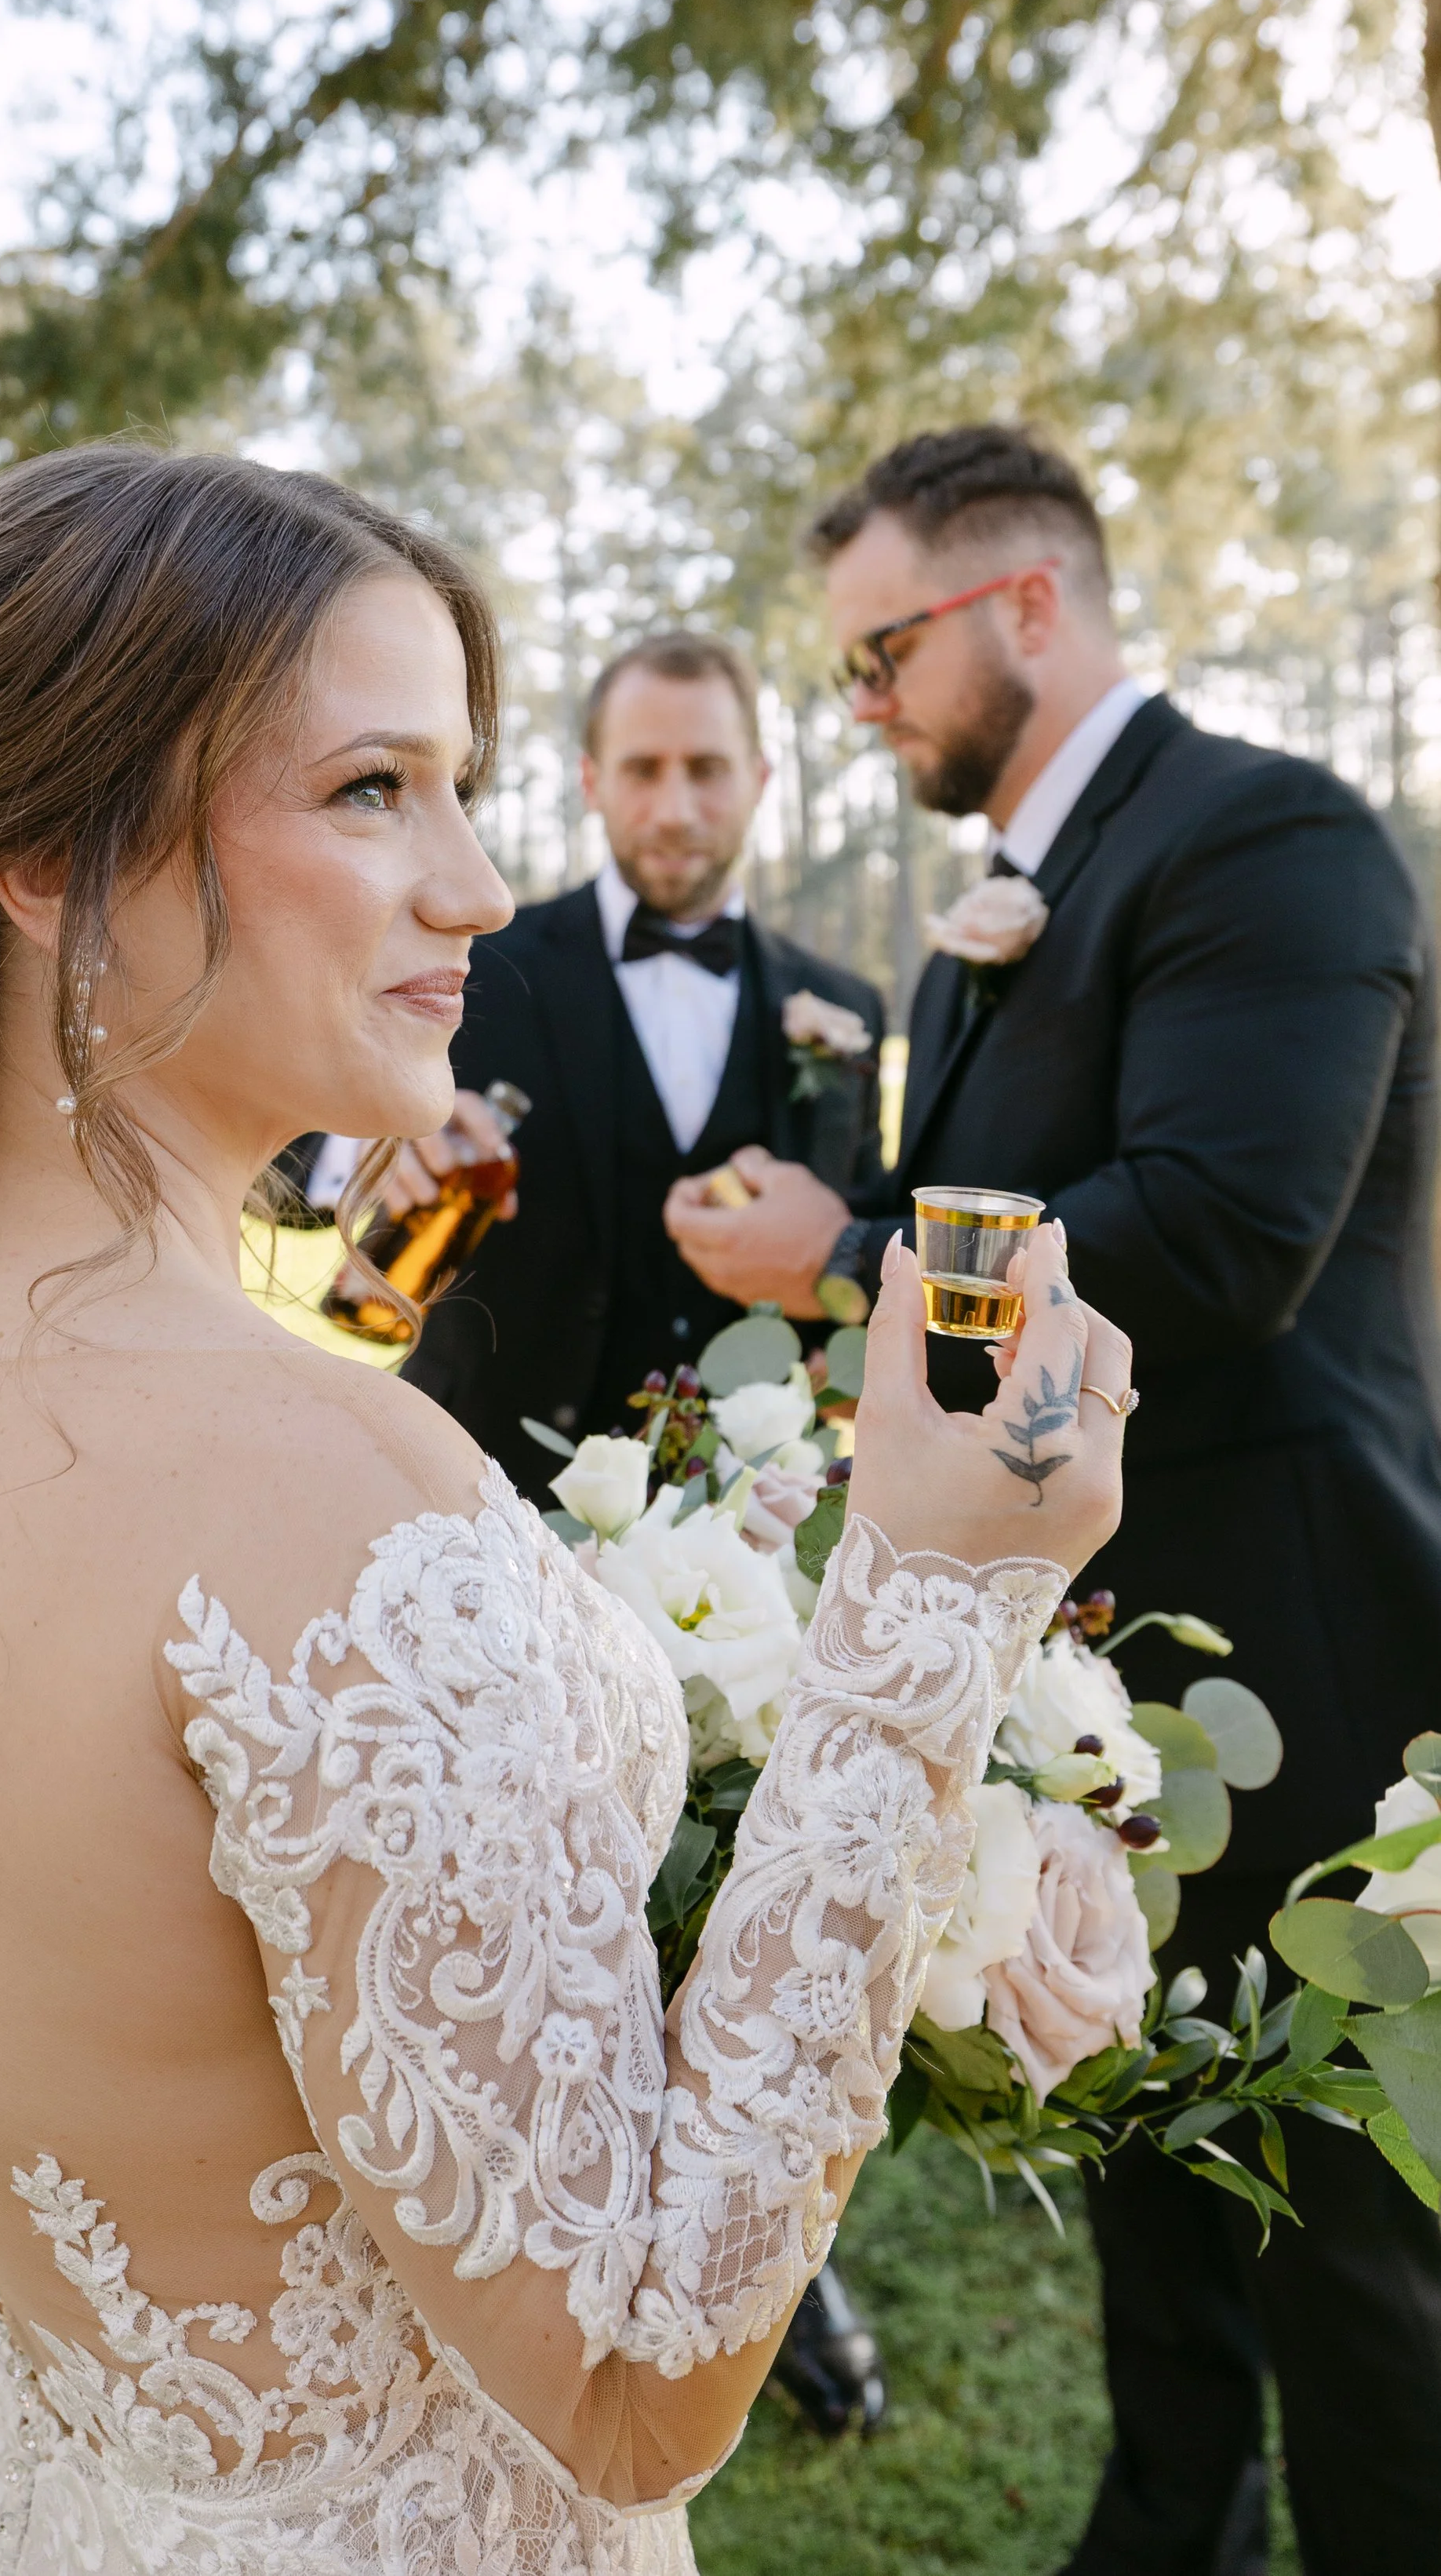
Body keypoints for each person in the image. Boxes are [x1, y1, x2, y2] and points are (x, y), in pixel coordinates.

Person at [0, 442, 1130, 2575]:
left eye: (459, 784)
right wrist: (930, 1601)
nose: (474, 885)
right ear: (52, 859)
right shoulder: (332, 1505)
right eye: (372, 790)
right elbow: (631, 2379)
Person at [667, 421, 1441, 2576]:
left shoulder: (1268, 834)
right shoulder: (975, 928)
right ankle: (1164, 2525)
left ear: (1027, 601)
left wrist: (844, 1251)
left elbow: (1215, 1231)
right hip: (1085, 1646)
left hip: (1296, 1634)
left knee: (1335, 2211)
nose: (864, 703)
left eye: (880, 647)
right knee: (1123, 2127)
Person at [309, 631, 885, 1500]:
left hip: (745, 1517)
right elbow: (290, 1120)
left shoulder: (845, 1009)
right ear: (591, 782)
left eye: (707, 769)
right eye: (643, 770)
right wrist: (371, 1156)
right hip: (486, 1489)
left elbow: (860, 1233)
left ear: (760, 781)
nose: (676, 809)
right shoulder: (476, 960)